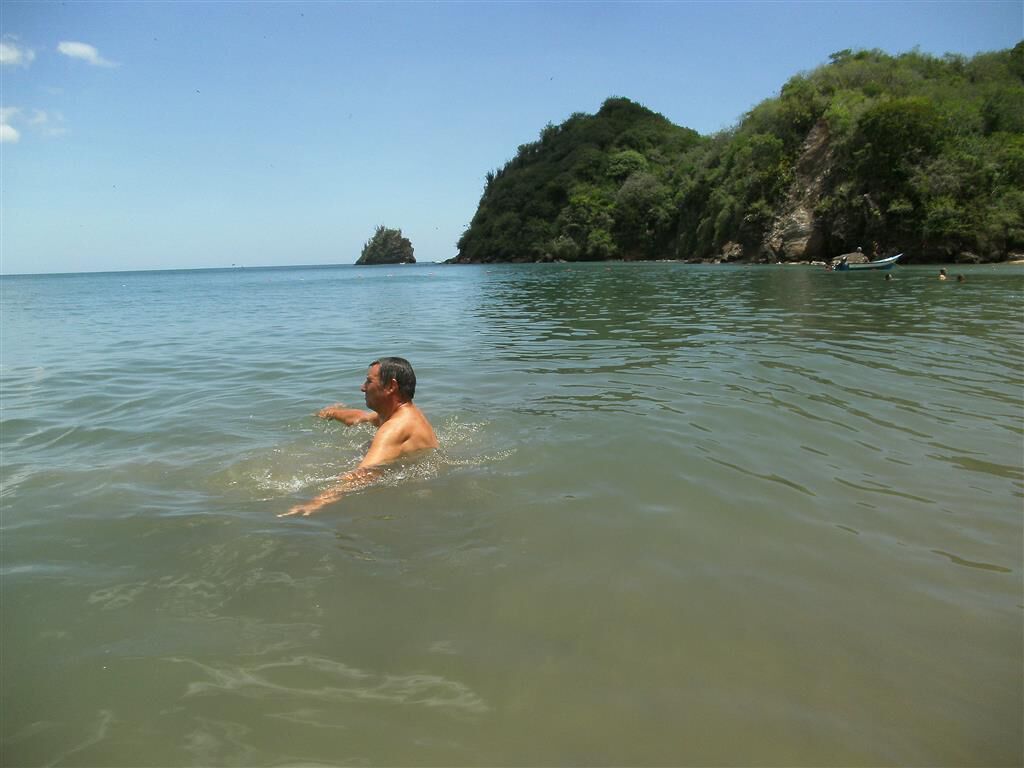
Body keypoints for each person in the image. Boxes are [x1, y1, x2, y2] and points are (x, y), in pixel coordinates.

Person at [280, 357, 438, 517]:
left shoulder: (395, 428)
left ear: (391, 386)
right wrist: (332, 413)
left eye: (369, 381)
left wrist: (315, 503)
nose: (362, 388)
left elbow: (365, 474)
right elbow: (361, 417)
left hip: (407, 497)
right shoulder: (401, 414)